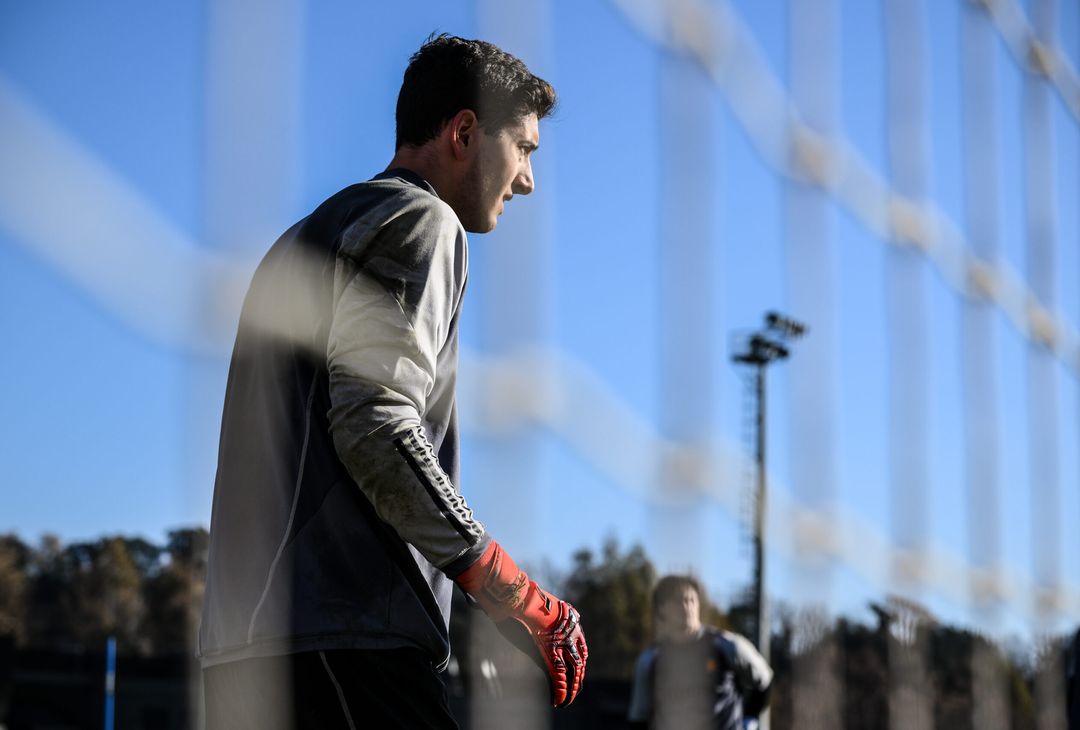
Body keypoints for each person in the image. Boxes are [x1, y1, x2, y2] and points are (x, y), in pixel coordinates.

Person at [198, 34, 587, 730]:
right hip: (345, 646)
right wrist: (508, 590)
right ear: (464, 132)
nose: (528, 179)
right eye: (523, 149)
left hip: (245, 653)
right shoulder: (421, 219)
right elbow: (375, 422)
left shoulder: (301, 239)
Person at [629, 575, 772, 730]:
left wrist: (748, 719)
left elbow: (765, 680)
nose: (687, 607)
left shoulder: (728, 646)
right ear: (661, 608)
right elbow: (639, 716)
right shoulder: (650, 660)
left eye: (692, 600)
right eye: (679, 601)